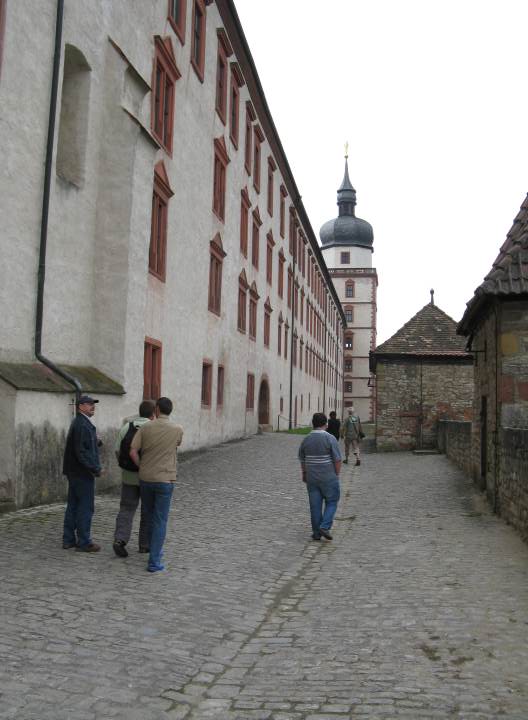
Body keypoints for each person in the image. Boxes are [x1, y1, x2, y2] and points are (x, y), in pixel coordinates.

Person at [130, 397, 183, 573]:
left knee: (148, 514)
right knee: (160, 520)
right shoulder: (177, 429)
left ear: (157, 409)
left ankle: (150, 548)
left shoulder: (145, 427)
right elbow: (177, 444)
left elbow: (133, 451)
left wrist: (141, 466)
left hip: (146, 478)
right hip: (165, 479)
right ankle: (154, 560)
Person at [112, 399, 156, 558]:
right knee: (147, 510)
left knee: (126, 509)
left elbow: (117, 450)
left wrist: (124, 465)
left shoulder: (127, 427)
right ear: (153, 414)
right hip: (148, 477)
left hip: (129, 476)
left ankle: (120, 540)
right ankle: (144, 545)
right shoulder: (154, 428)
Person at [62, 395, 102, 552]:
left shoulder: (81, 422)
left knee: (73, 505)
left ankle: (68, 540)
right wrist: (95, 468)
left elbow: (83, 445)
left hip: (75, 471)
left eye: (93, 404)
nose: (93, 406)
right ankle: (84, 542)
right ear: (80, 407)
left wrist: (97, 441)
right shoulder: (82, 424)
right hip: (82, 472)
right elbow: (81, 452)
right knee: (85, 507)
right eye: (89, 404)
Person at [298, 412, 342, 541]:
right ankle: (324, 526)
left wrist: (304, 473)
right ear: (325, 424)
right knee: (332, 501)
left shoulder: (306, 439)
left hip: (312, 477)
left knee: (315, 506)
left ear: (313, 424)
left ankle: (316, 533)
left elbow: (302, 459)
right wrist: (336, 474)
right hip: (328, 475)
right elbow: (337, 459)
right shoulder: (330, 438)